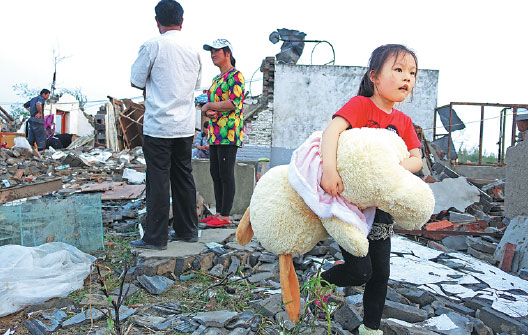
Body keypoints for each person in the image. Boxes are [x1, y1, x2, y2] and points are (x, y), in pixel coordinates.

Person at [319, 44, 422, 335]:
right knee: (360, 271)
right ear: (375, 77)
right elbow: (332, 133)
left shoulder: (403, 122)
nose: (407, 78)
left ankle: (370, 328)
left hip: (382, 209)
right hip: (348, 204)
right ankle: (320, 284)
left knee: (380, 274)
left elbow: (417, 159)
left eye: (412, 73)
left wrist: (394, 167)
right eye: (399, 70)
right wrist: (330, 170)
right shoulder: (360, 106)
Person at [129, 0, 202, 250]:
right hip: (184, 126)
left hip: (159, 126)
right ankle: (187, 230)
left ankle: (156, 237)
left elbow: (136, 80)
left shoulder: (153, 45)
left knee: (158, 180)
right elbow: (195, 87)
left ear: (157, 21)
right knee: (183, 177)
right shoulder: (193, 49)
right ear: (181, 21)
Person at [200, 39, 245, 228]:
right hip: (215, 132)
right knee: (215, 172)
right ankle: (218, 212)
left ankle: (225, 215)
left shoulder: (236, 76)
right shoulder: (216, 80)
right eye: (211, 52)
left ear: (227, 53)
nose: (213, 55)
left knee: (226, 173)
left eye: (216, 51)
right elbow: (210, 105)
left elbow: (233, 103)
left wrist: (209, 105)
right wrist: (207, 111)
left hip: (229, 132)